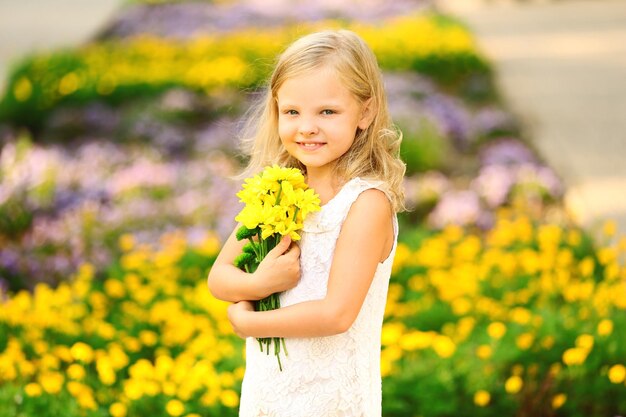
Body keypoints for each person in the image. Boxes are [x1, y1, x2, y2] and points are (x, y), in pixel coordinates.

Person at [207, 29, 406, 417]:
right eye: (292, 112)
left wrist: (251, 325)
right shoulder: (276, 192)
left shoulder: (366, 203)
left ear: (365, 112)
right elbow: (219, 276)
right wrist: (257, 284)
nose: (307, 127)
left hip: (331, 400)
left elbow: (336, 313)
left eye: (327, 112)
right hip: (269, 394)